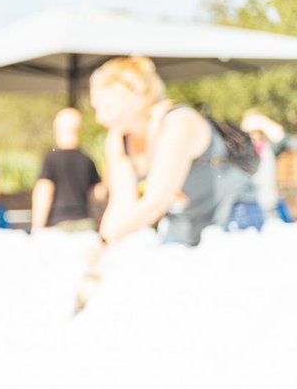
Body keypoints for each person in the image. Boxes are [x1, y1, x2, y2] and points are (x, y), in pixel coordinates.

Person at [91, 56, 261, 246]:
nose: (99, 117)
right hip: (184, 224)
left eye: (108, 107)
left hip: (231, 217)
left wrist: (105, 241)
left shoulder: (178, 122)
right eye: (96, 108)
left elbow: (156, 202)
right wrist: (101, 247)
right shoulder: (118, 138)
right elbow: (121, 203)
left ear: (134, 98)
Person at [31, 108, 104, 233]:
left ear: (56, 128)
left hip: (58, 226)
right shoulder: (87, 159)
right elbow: (97, 195)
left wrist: (37, 226)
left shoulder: (51, 158)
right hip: (85, 226)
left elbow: (45, 190)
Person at [240, 109, 295, 222]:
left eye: (257, 132)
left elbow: (283, 138)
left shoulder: (269, 149)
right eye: (251, 133)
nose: (254, 136)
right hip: (248, 208)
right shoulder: (241, 152)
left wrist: (262, 121)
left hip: (270, 205)